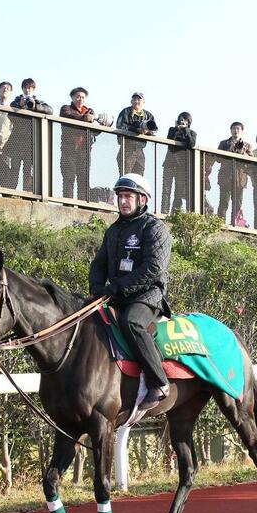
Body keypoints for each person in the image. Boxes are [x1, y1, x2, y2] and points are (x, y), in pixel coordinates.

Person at [89, 173, 172, 411]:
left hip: (147, 296)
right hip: (117, 295)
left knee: (132, 322)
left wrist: (116, 287)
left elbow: (154, 268)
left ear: (142, 200)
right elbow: (99, 263)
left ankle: (159, 382)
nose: (123, 201)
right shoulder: (113, 230)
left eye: (128, 196)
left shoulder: (155, 228)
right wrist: (95, 286)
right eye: (120, 196)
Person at [7, 78, 52, 191]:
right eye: (26, 87)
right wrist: (21, 106)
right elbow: (10, 116)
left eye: (30, 88)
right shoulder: (16, 102)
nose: (28, 90)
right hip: (17, 141)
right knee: (14, 169)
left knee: (28, 170)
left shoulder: (39, 102)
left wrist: (34, 107)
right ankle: (11, 191)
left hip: (31, 142)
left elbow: (50, 110)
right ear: (22, 89)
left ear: (34, 89)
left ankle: (27, 193)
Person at [205, 122, 252, 225]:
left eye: (238, 129)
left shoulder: (247, 145)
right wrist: (231, 147)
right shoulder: (224, 143)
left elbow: (250, 162)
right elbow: (218, 159)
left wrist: (242, 152)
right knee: (223, 202)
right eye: (234, 129)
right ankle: (219, 224)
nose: (236, 131)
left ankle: (236, 225)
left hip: (240, 179)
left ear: (242, 131)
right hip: (225, 177)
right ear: (230, 130)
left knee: (237, 204)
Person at [59, 86, 97, 200]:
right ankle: (68, 204)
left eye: (83, 97)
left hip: (84, 151)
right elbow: (69, 117)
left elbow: (96, 131)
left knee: (84, 180)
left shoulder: (89, 111)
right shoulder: (66, 108)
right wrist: (84, 118)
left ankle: (83, 205)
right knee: (68, 179)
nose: (80, 99)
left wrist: (99, 122)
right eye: (78, 97)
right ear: (72, 98)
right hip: (69, 150)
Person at [161, 112, 196, 214]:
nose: (182, 121)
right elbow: (169, 140)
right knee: (166, 189)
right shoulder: (172, 130)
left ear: (188, 122)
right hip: (169, 163)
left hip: (182, 166)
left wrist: (185, 130)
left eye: (184, 120)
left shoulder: (192, 133)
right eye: (180, 119)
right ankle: (164, 212)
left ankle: (174, 213)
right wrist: (177, 128)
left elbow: (192, 144)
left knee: (178, 192)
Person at [115, 92, 157, 176]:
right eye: (134, 99)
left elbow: (155, 130)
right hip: (126, 149)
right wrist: (135, 129)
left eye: (139, 99)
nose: (136, 101)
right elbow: (120, 127)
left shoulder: (148, 116)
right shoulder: (125, 112)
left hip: (140, 151)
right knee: (126, 178)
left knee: (139, 180)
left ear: (143, 101)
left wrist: (147, 132)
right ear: (131, 101)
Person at [0, 81, 16, 189]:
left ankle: (7, 192)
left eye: (8, 88)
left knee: (4, 170)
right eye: (2, 87)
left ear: (11, 92)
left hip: (5, 143)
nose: (5, 89)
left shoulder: (13, 107)